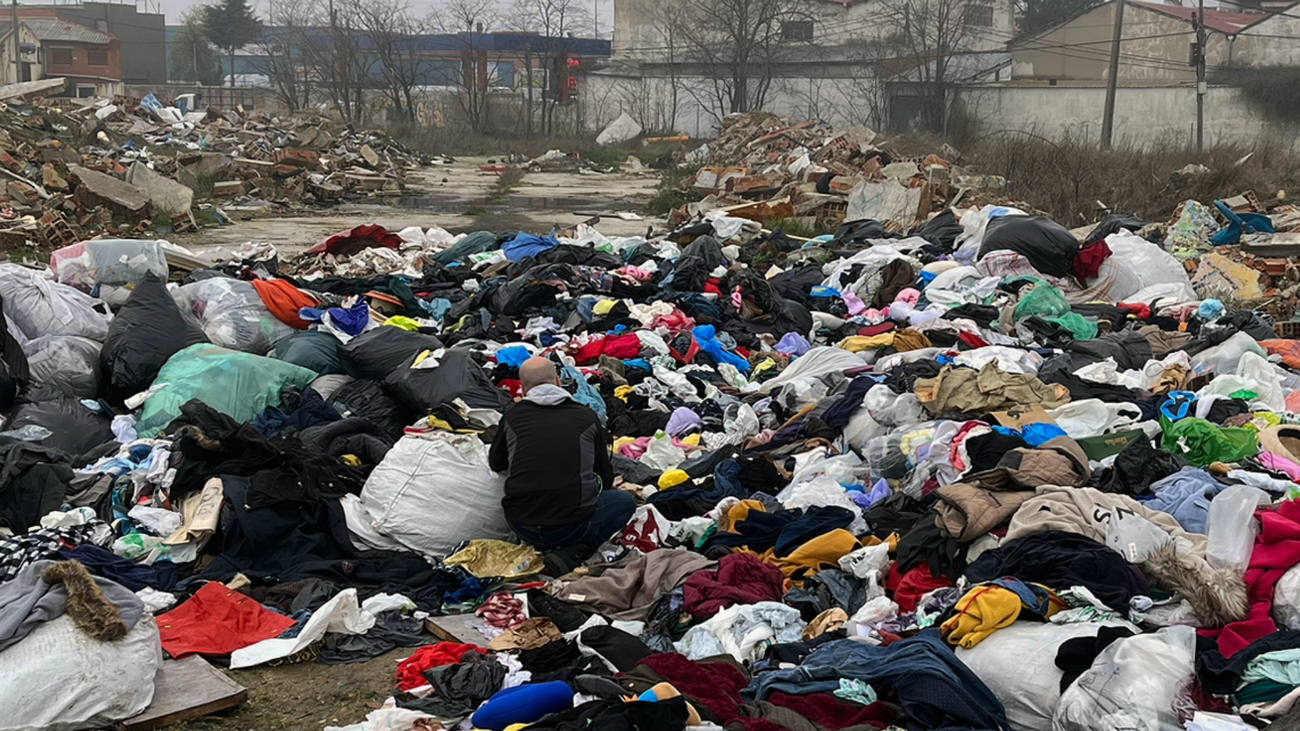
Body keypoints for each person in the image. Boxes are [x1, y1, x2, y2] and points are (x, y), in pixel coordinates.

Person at [489, 356, 634, 575]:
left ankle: (553, 549)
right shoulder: (586, 416)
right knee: (624, 502)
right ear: (558, 381)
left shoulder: (512, 416)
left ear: (524, 388)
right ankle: (574, 551)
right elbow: (605, 478)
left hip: (521, 524)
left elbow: (495, 462)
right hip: (571, 528)